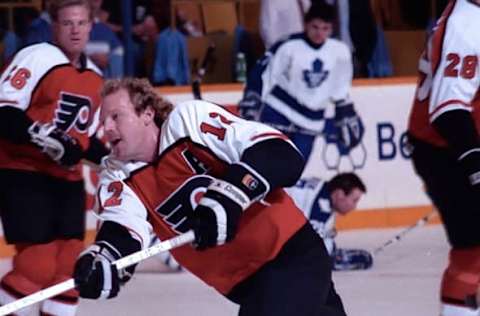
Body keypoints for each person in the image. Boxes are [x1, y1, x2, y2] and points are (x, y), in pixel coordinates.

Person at [72, 77, 347, 316]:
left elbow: (279, 152)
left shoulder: (188, 122)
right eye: (103, 120)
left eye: (116, 116)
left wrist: (232, 192)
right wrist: (103, 258)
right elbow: (122, 232)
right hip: (244, 286)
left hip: (289, 254)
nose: (105, 129)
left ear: (146, 113)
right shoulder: (116, 175)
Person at [0, 0, 107, 315]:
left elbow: (86, 143)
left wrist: (120, 160)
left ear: (91, 26)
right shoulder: (36, 57)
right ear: (54, 26)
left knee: (69, 270)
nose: (75, 30)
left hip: (66, 180)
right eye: (67, 23)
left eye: (81, 23)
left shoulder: (96, 75)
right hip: (23, 173)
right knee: (37, 266)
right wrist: (44, 137)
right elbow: (5, 112)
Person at [407, 1, 480, 315]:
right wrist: (476, 166)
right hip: (444, 149)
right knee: (473, 250)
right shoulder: (467, 23)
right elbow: (448, 112)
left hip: (461, 140)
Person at [239, 2, 364, 163]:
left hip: (311, 123)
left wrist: (345, 111)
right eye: (315, 27)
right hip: (278, 115)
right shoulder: (288, 45)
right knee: (263, 166)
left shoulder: (340, 51)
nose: (320, 33)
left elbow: (340, 88)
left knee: (290, 174)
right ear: (306, 24)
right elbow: (263, 73)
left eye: (325, 28)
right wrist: (253, 98)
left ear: (332, 29)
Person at [286, 173, 371, 270]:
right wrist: (334, 258)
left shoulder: (322, 189)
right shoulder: (321, 206)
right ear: (339, 194)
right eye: (354, 200)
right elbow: (312, 250)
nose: (354, 207)